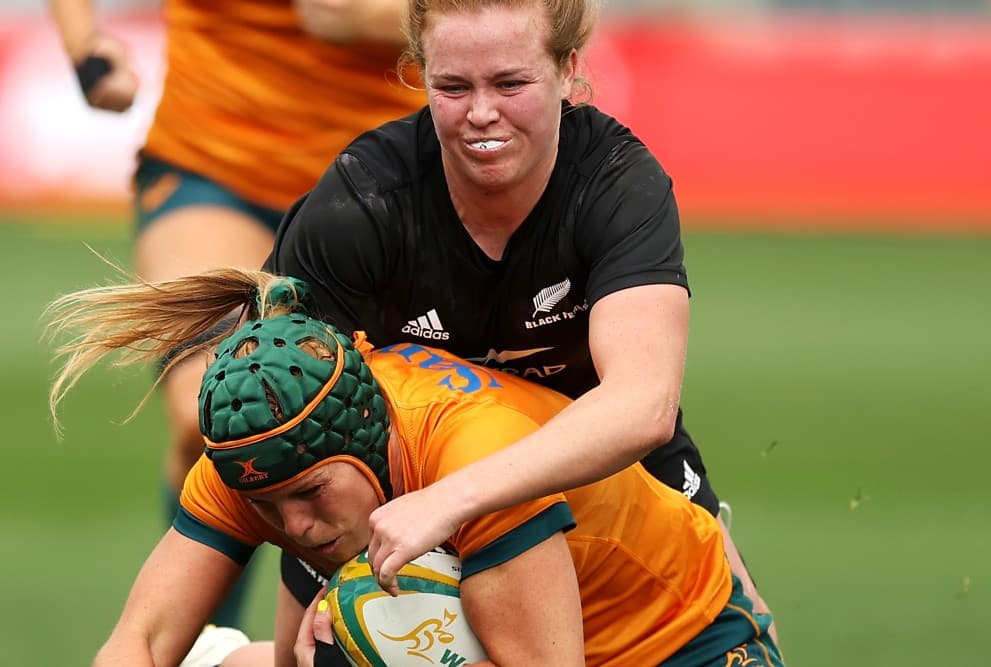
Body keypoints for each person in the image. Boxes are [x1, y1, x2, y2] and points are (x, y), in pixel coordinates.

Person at [263, 0, 779, 649]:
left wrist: (452, 497)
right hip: (397, 513)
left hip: (608, 486)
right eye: (453, 86)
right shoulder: (359, 206)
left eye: (510, 83)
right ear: (420, 74)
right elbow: (282, 407)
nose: (482, 112)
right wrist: (331, 568)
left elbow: (643, 405)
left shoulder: (618, 183)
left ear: (567, 70)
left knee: (747, 633)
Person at [46, 271, 782, 667]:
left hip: (681, 640)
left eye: (310, 493)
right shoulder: (257, 458)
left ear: (366, 440)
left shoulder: (474, 452)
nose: (292, 527)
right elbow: (137, 642)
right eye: (266, 510)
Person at [46, 0, 425, 632]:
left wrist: (379, 18)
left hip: (388, 186)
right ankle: (200, 644)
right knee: (214, 409)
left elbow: (542, 17)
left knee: (401, 418)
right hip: (216, 163)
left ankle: (364, 629)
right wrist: (87, 44)